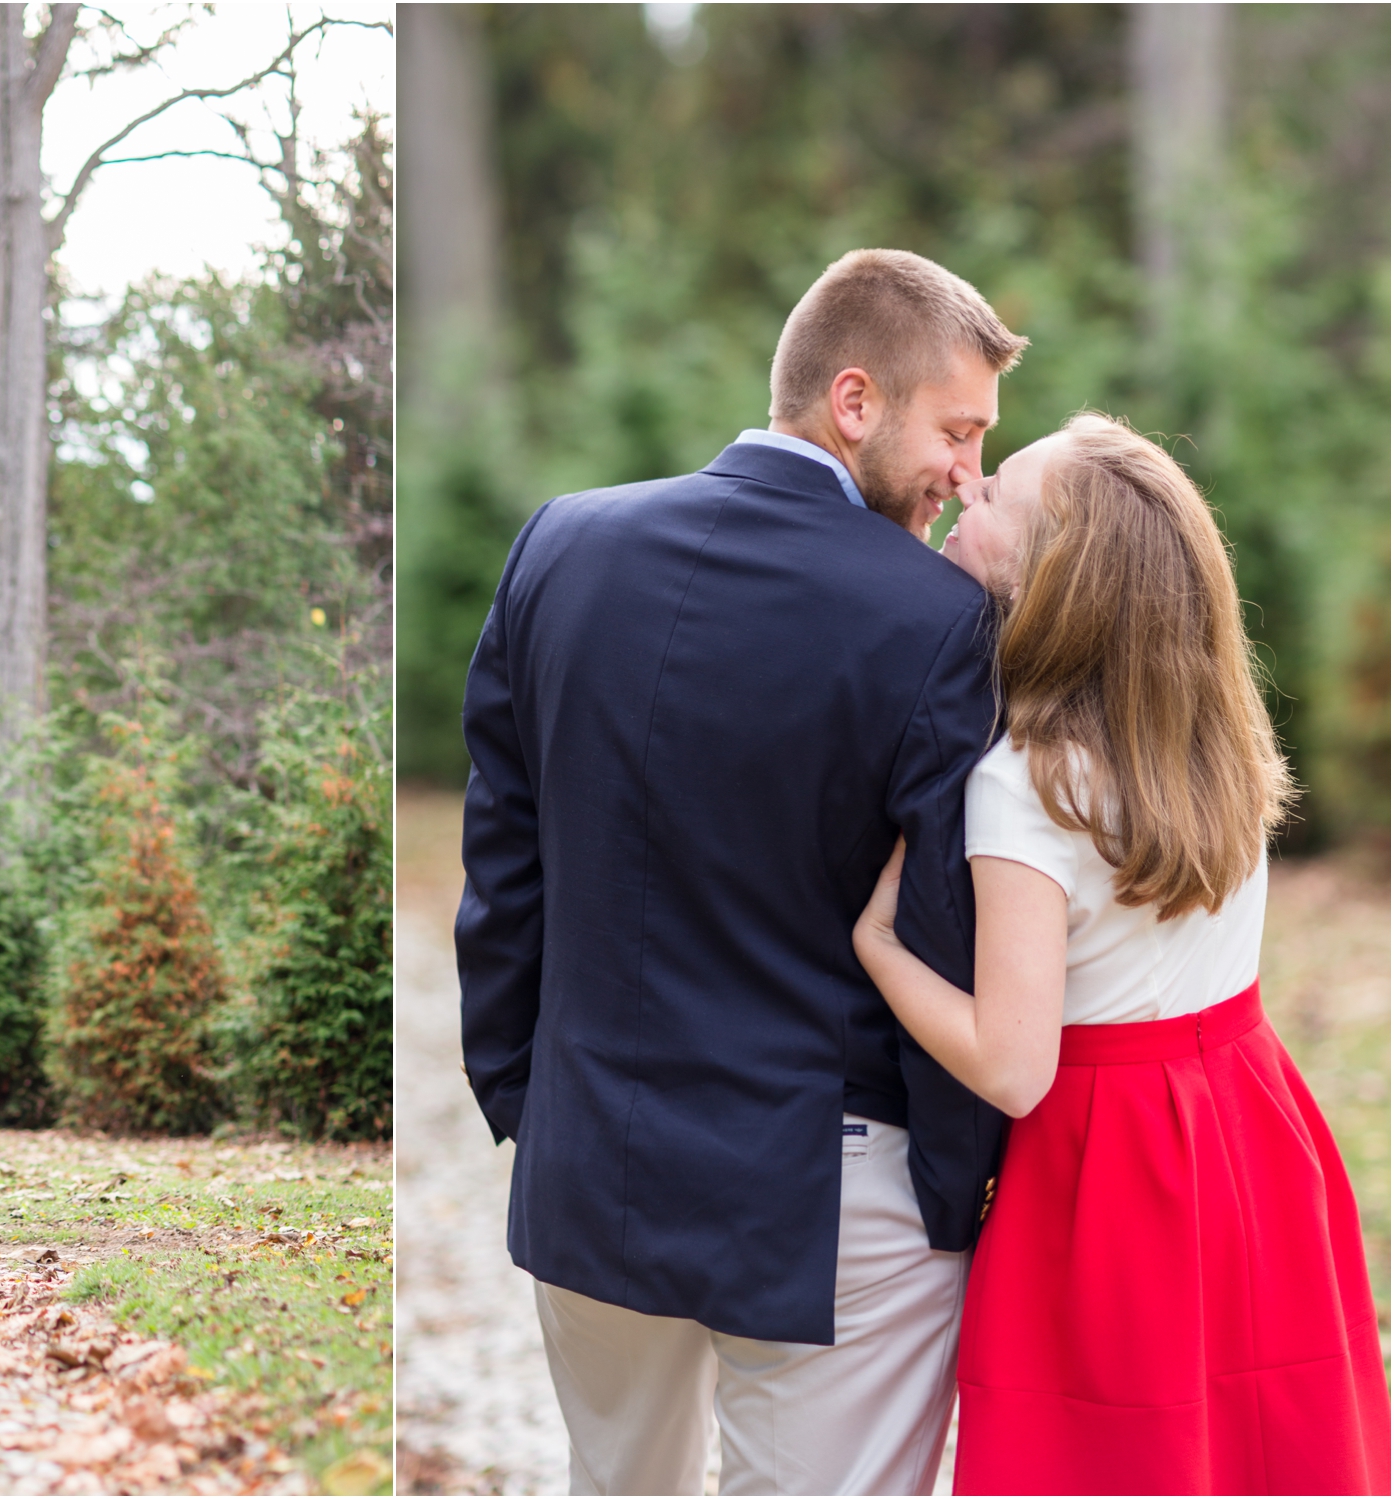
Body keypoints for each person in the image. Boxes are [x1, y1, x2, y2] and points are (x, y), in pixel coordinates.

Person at [457, 249, 1028, 1495]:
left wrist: (526, 1098)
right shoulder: (936, 621)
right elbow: (939, 916)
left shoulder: (557, 548)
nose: (966, 473)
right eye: (957, 429)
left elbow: (504, 868)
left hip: (590, 1155)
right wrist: (952, 1198)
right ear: (856, 400)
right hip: (830, 1195)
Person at [853, 412, 1390, 1496]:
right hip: (1249, 1125)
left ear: (1055, 572)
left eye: (996, 490)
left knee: (1106, 1452)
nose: (967, 486)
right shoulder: (1211, 738)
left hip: (1108, 1166)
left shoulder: (1021, 782)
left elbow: (1011, 1063)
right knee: (1247, 1436)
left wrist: (874, 944)